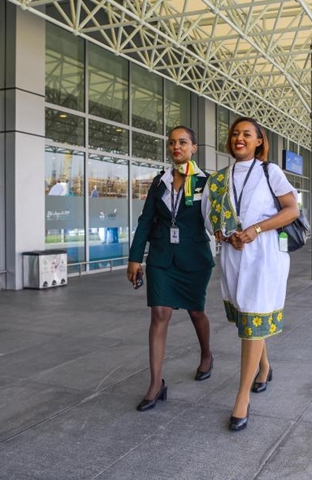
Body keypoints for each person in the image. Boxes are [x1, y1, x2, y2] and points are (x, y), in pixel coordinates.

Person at [202, 117, 299, 431]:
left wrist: (256, 229)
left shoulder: (270, 171)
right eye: (235, 134)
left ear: (259, 141)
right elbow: (211, 218)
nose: (239, 138)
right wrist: (224, 234)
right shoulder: (219, 178)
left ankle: (241, 398)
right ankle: (265, 367)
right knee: (248, 319)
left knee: (253, 316)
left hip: (264, 255)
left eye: (246, 134)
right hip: (234, 254)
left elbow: (291, 210)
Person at [127, 126, 215, 412]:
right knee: (159, 313)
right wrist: (135, 257)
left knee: (196, 311)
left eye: (182, 142)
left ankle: (206, 354)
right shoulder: (159, 182)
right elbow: (145, 220)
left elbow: (214, 221)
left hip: (194, 258)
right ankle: (156, 384)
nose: (176, 146)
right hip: (162, 257)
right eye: (172, 143)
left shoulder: (205, 182)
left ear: (194, 148)